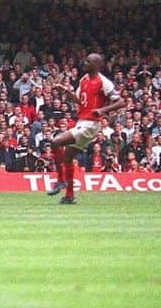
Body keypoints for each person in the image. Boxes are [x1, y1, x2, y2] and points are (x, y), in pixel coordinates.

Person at [45, 53, 124, 204]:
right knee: (68, 157)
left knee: (55, 142)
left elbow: (121, 102)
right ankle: (69, 196)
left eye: (88, 61)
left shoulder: (103, 81)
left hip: (91, 123)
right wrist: (66, 92)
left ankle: (61, 180)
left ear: (96, 65)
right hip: (82, 121)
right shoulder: (83, 79)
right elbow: (80, 101)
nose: (84, 63)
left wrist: (103, 110)